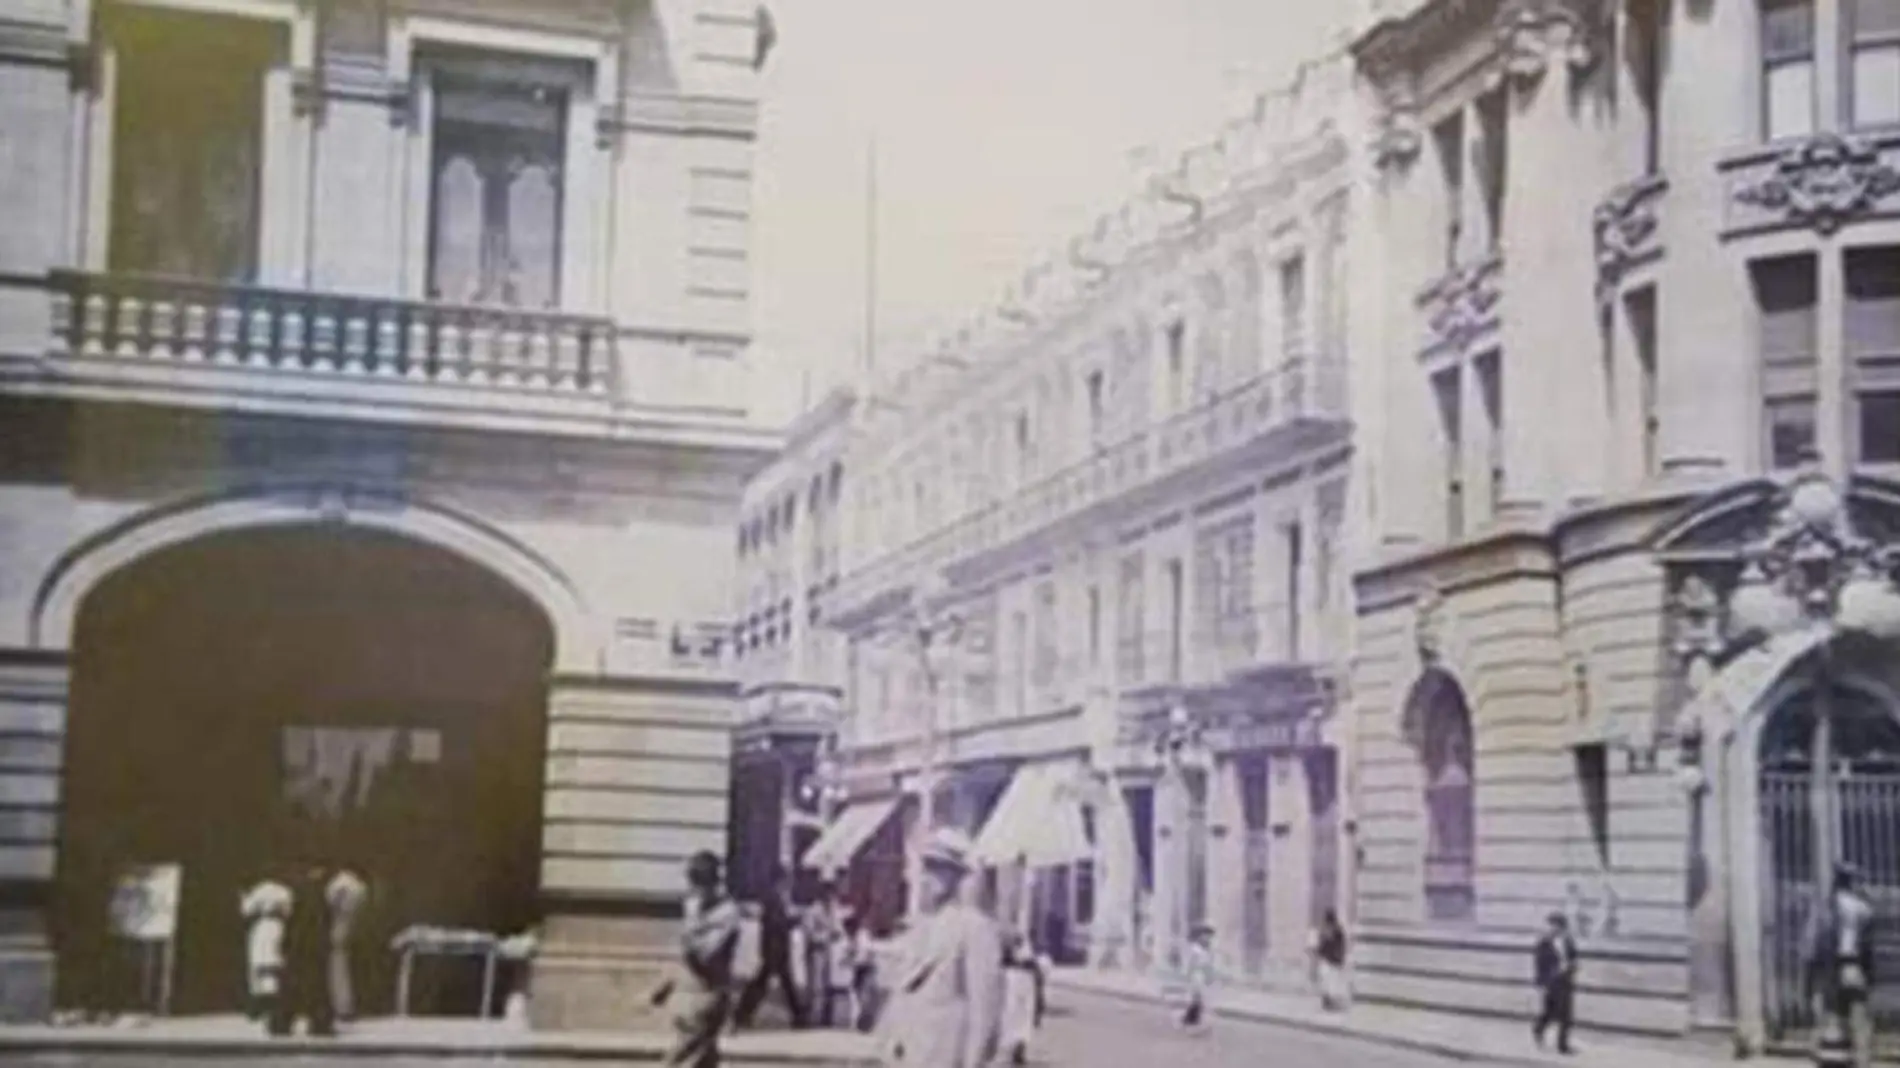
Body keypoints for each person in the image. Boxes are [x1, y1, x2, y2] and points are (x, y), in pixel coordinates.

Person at [884, 827, 1004, 1068]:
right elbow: (905, 995)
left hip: (948, 1058)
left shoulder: (975, 929)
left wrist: (975, 1062)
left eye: (940, 869)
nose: (929, 876)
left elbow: (985, 1010)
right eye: (927, 867)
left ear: (957, 876)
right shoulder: (922, 927)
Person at [651, 850, 744, 1068]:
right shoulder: (692, 906)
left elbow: (705, 955)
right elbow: (681, 958)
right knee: (705, 1060)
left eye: (700, 884)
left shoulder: (727, 914)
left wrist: (691, 934)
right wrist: (663, 988)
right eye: (692, 883)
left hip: (708, 998)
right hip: (687, 996)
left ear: (713, 884)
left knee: (677, 1061)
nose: (694, 890)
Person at [1804, 862, 1878, 1068]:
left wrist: (1809, 980)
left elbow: (1812, 947)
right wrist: (1870, 977)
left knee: (1828, 1020)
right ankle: (1862, 1061)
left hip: (1828, 970)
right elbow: (1868, 947)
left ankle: (1826, 1061)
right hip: (1854, 968)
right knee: (1859, 1021)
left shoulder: (1823, 909)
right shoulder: (1863, 908)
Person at [734, 869, 805, 1029]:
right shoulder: (772, 899)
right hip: (774, 948)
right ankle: (799, 1017)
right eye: (786, 882)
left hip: (777, 948)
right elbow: (775, 923)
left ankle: (743, 1013)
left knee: (778, 984)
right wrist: (792, 921)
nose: (788, 885)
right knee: (774, 984)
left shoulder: (778, 899)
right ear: (779, 882)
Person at [275, 864, 337, 1038]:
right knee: (316, 986)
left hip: (300, 946)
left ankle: (283, 1021)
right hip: (314, 946)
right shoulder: (320, 898)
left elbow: (292, 923)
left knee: (292, 985)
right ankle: (319, 1021)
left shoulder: (299, 895)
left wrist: (286, 944)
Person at [240, 872, 293, 1027]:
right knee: (275, 962)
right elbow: (289, 911)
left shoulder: (260, 889)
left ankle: (260, 1003)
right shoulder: (284, 891)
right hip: (279, 926)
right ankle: (273, 1000)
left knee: (259, 963)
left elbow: (246, 910)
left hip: (262, 924)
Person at [324, 867, 368, 1024]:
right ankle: (347, 1005)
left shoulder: (340, 884)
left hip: (340, 925)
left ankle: (342, 1006)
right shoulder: (360, 885)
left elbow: (330, 900)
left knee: (338, 968)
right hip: (354, 925)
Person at [1531, 911, 1578, 1055]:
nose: (1555, 929)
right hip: (1550, 983)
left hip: (1565, 982)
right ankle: (1538, 1029)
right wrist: (1541, 984)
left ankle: (1562, 1046)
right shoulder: (1543, 943)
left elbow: (1574, 958)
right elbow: (1539, 965)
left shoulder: (1568, 941)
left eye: (1559, 926)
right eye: (1553, 926)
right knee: (1549, 1013)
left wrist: (1571, 968)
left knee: (1567, 1016)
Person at [999, 930, 1041, 1065]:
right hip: (1016, 979)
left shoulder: (1027, 962)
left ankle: (1017, 1048)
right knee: (1014, 1015)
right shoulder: (1016, 961)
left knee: (1021, 1016)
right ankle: (1013, 1048)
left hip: (1021, 980)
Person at [1179, 923, 1215, 1032]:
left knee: (1199, 1000)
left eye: (1209, 935)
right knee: (1197, 999)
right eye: (1206, 935)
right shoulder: (1195, 949)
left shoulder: (1206, 948)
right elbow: (1190, 964)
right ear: (1200, 936)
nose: (1208, 938)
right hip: (1196, 975)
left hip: (1202, 975)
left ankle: (1190, 1020)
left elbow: (1207, 964)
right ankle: (1190, 1020)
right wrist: (1189, 977)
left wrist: (1209, 975)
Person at [1312, 909, 1349, 1012]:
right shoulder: (1333, 931)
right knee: (1328, 982)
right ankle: (1328, 1001)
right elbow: (1339, 946)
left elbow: (1336, 946)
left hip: (1331, 960)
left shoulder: (1334, 931)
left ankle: (1330, 1002)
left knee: (1330, 982)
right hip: (1330, 960)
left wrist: (1319, 952)